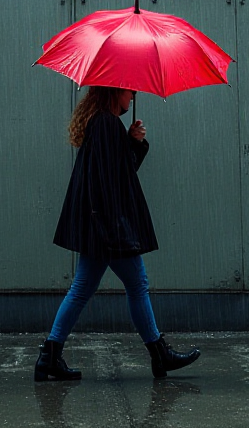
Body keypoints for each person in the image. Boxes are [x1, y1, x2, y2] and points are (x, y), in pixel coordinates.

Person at [34, 86, 200, 382]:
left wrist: (133, 143)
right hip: (108, 227)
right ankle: (159, 354)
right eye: (130, 92)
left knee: (82, 288)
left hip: (99, 225)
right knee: (137, 285)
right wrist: (115, 231)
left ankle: (49, 355)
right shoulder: (106, 125)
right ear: (116, 92)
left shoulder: (103, 124)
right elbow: (109, 184)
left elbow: (119, 172)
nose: (133, 97)